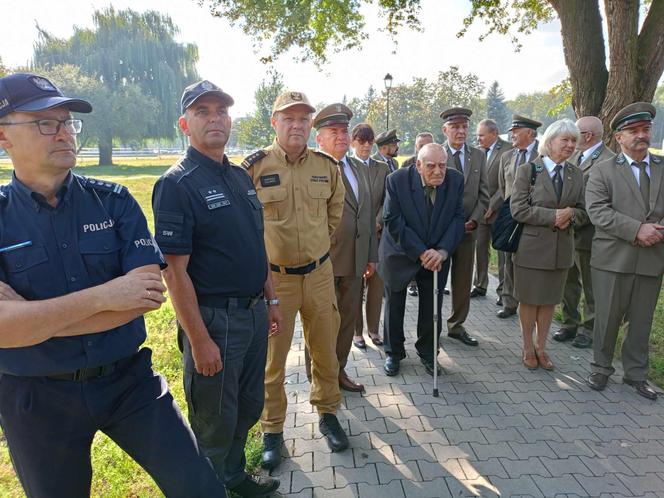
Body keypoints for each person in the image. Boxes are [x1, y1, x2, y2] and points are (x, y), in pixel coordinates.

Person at [0, 72, 227, 497]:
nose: (65, 133)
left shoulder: (115, 200)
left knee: (200, 487)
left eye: (67, 121)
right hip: (35, 397)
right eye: (45, 123)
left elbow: (146, 295)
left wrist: (30, 322)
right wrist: (105, 296)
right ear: (3, 136)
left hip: (128, 381)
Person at [152, 80, 281, 497]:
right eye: (203, 111)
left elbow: (255, 242)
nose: (215, 118)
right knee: (213, 419)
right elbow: (174, 271)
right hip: (216, 321)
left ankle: (233, 476)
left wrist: (271, 298)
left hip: (254, 313)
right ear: (184, 124)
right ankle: (209, 487)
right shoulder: (177, 184)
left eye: (221, 111)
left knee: (247, 407)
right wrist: (199, 338)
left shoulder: (240, 176)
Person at [242, 90, 348, 470]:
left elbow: (335, 211)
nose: (298, 125)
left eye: (304, 119)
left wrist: (318, 246)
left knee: (325, 348)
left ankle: (328, 413)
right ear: (275, 122)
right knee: (273, 360)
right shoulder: (253, 167)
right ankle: (272, 430)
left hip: (319, 275)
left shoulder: (326, 165)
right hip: (275, 281)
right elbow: (242, 224)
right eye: (289, 118)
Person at [586, 102, 664, 400]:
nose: (640, 136)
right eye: (633, 131)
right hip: (612, 258)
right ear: (618, 137)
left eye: (645, 130)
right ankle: (600, 367)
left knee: (642, 319)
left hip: (652, 256)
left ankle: (636, 374)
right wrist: (636, 230)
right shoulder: (603, 171)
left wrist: (655, 232)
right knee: (607, 317)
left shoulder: (662, 167)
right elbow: (597, 211)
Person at [305, 104, 377, 393]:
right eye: (333, 131)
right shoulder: (310, 168)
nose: (341, 137)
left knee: (347, 320)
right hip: (323, 262)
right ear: (318, 138)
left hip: (355, 261)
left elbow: (367, 214)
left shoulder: (358, 167)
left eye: (344, 131)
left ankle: (339, 371)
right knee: (321, 323)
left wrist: (370, 255)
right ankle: (319, 379)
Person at [378, 143, 465, 377]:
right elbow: (393, 220)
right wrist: (421, 252)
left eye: (442, 166)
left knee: (432, 305)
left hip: (437, 253)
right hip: (400, 251)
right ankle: (393, 353)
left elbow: (458, 219)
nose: (438, 171)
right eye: (431, 166)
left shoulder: (456, 181)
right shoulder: (397, 180)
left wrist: (443, 251)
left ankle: (428, 353)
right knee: (395, 304)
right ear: (418, 165)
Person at [510, 119, 588, 371]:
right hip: (531, 249)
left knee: (549, 302)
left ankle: (542, 348)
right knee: (530, 300)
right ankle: (526, 347)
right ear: (550, 141)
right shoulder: (528, 170)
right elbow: (518, 209)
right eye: (565, 140)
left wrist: (572, 215)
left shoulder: (576, 173)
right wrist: (552, 216)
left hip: (561, 250)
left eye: (574, 140)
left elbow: (583, 211)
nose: (570, 145)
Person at [555, 116, 615, 349]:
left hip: (590, 236)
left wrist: (572, 217)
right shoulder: (572, 156)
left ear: (587, 136)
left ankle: (588, 330)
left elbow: (604, 203)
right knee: (568, 283)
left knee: (591, 286)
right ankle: (569, 323)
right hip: (566, 232)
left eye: (575, 134)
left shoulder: (609, 161)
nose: (570, 140)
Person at [441, 107, 489, 347]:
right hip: (439, 234)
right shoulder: (436, 155)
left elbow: (484, 193)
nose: (461, 131)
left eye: (464, 127)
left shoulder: (478, 156)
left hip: (468, 231)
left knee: (462, 281)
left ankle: (457, 325)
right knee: (436, 282)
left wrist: (476, 219)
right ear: (445, 129)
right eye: (455, 127)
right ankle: (432, 326)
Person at [496, 115, 541, 316]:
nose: (511, 135)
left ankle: (529, 301)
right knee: (508, 258)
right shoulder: (507, 156)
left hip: (533, 216)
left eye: (516, 131)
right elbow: (502, 185)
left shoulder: (543, 155)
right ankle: (509, 301)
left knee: (529, 259)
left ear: (530, 133)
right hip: (510, 216)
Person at [350, 123, 390, 349]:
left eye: (369, 141)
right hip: (355, 237)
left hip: (378, 234)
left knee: (376, 286)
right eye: (361, 140)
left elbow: (387, 199)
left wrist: (378, 220)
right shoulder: (345, 167)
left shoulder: (381, 168)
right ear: (353, 142)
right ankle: (357, 332)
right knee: (356, 285)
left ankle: (374, 330)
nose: (365, 145)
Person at [472, 119, 513, 299]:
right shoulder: (478, 152)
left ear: (494, 134)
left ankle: (503, 290)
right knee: (479, 248)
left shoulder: (508, 150)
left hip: (500, 210)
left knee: (502, 252)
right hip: (480, 210)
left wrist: (493, 205)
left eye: (481, 135)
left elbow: (507, 183)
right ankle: (480, 285)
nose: (478, 139)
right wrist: (480, 205)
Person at [401, 132, 435, 297]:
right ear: (416, 148)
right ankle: (412, 283)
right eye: (421, 146)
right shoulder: (408, 164)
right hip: (412, 217)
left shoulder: (438, 165)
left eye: (427, 145)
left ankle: (434, 282)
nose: (424, 148)